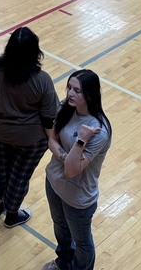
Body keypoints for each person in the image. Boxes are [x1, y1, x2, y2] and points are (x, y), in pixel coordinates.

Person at [0, 26, 58, 228]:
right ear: (35, 52)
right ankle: (12, 215)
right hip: (29, 139)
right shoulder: (42, 80)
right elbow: (50, 115)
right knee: (19, 176)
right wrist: (51, 138)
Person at [43, 70, 114, 270]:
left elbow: (72, 171)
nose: (70, 93)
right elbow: (51, 139)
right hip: (54, 183)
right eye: (69, 88)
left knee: (82, 244)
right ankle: (64, 262)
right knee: (60, 229)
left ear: (90, 95)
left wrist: (81, 140)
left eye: (77, 90)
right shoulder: (66, 107)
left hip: (78, 198)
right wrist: (65, 157)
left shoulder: (97, 130)